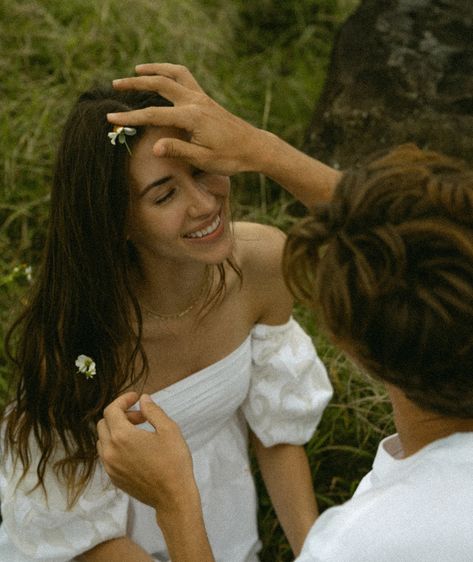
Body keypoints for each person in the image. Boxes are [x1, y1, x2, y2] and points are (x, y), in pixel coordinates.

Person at [97, 64, 473, 561]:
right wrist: (262, 149)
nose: (206, 201)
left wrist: (177, 506)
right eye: (165, 192)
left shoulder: (361, 544)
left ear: (348, 343)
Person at [0, 83, 334, 561]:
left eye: (201, 170)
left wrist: (315, 550)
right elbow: (82, 537)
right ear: (118, 221)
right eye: (164, 195)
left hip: (216, 515)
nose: (204, 204)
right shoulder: (77, 340)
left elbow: (275, 429)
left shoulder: (261, 264)